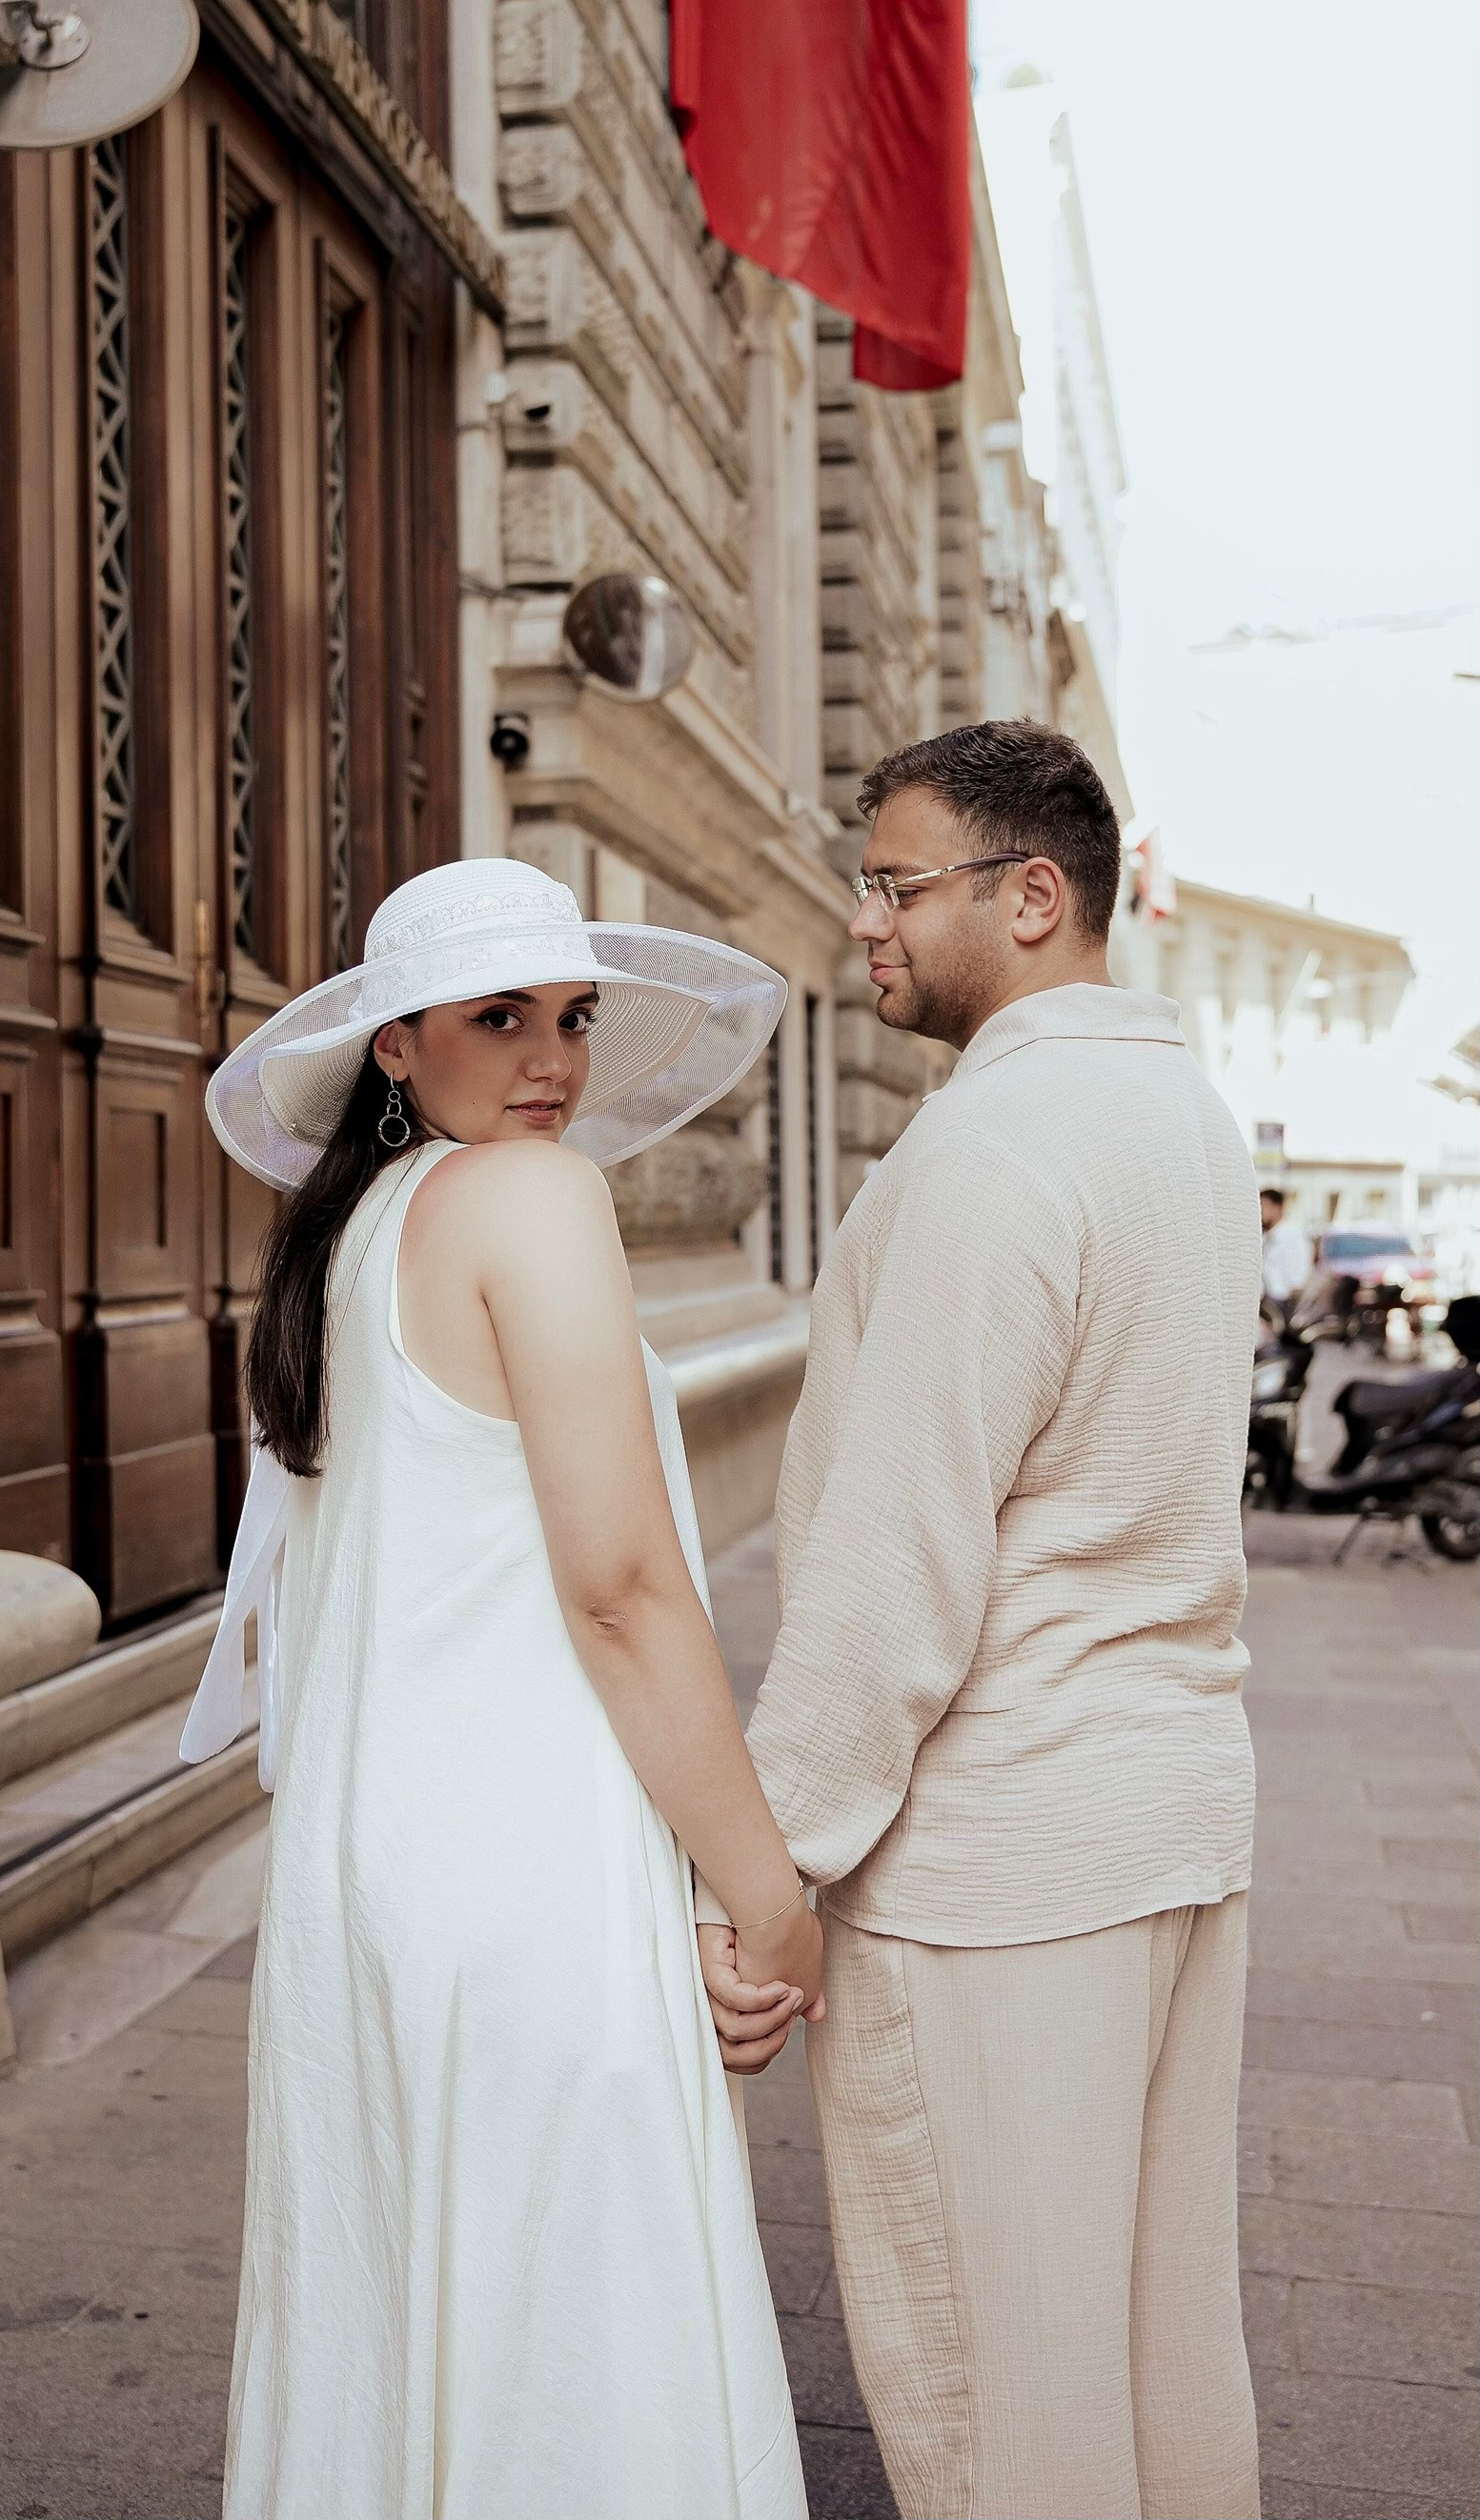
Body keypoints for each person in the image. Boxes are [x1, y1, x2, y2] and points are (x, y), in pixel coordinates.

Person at [180, 857, 816, 2520]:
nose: (549, 1061)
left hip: (367, 1885)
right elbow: (617, 1589)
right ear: (393, 1045)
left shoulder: (349, 1239)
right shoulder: (532, 1204)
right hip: (525, 1892)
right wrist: (766, 1893)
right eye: (498, 1019)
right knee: (575, 2383)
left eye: (573, 1017)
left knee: (395, 2339)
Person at [701, 721, 1263, 2520]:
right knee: (1153, 2351)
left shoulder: (986, 1152)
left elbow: (892, 1565)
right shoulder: (1179, 1115)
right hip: (1170, 1815)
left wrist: (763, 1879)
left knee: (991, 2402)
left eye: (893, 884)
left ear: (1031, 899)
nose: (861, 922)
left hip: (1000, 1855)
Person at [1260, 1184, 1312, 1308]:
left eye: (1263, 1206)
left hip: (1284, 1304)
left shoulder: (1292, 1236)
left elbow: (1299, 1277)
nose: (1260, 1212)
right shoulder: (1264, 1237)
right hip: (1266, 1302)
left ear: (1278, 1207)